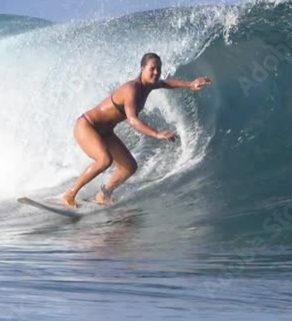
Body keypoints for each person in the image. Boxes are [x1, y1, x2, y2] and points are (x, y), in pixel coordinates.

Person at [62, 53, 212, 207]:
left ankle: (103, 194)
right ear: (142, 69)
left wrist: (190, 84)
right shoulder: (132, 89)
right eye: (152, 69)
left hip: (106, 132)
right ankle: (70, 195)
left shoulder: (149, 85)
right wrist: (157, 134)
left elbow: (165, 83)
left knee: (129, 167)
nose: (156, 72)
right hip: (87, 126)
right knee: (105, 160)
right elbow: (132, 120)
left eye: (159, 69)